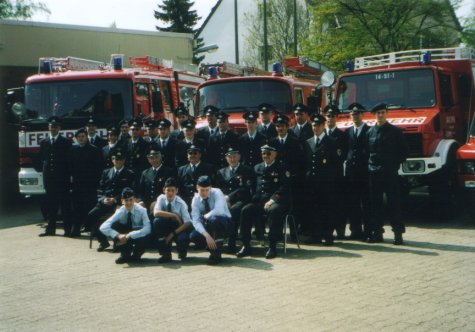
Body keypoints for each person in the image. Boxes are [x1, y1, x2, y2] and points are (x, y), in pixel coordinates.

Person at [237, 143, 291, 259]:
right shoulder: (257, 167)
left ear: (275, 154)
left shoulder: (281, 168)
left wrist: (272, 200)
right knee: (245, 210)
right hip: (259, 201)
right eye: (263, 153)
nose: (265, 155)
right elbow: (252, 185)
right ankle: (246, 245)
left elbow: (284, 187)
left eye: (268, 153)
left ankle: (272, 246)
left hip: (277, 201)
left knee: (274, 211)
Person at [366, 103, 408, 245]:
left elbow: (403, 153)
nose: (380, 115)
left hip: (390, 174)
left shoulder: (395, 132)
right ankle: (377, 233)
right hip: (374, 174)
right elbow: (367, 153)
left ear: (387, 113)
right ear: (375, 115)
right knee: (375, 205)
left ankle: (398, 234)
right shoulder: (370, 132)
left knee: (394, 204)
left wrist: (392, 165)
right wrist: (371, 167)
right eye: (378, 113)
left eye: (383, 112)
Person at [87, 150, 135, 251]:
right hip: (105, 202)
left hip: (119, 203)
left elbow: (130, 191)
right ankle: (103, 242)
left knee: (117, 218)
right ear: (112, 160)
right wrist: (103, 199)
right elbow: (100, 189)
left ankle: (117, 241)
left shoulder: (129, 173)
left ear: (124, 160)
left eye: (120, 159)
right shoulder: (106, 172)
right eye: (115, 159)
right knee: (91, 215)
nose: (118, 161)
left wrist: (116, 199)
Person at [303, 114, 339, 246]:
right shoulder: (308, 142)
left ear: (323, 126)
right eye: (313, 125)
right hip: (312, 183)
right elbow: (306, 163)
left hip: (326, 183)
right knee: (313, 209)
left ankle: (328, 235)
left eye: (318, 125)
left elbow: (336, 164)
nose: (315, 127)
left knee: (327, 209)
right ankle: (315, 235)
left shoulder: (331, 142)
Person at [215, 147, 255, 253]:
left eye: (234, 156)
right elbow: (218, 188)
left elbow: (245, 188)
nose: (232, 159)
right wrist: (224, 199)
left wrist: (229, 197)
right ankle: (219, 242)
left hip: (242, 200)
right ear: (226, 158)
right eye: (230, 157)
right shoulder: (221, 172)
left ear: (239, 157)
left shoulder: (246, 170)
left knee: (233, 210)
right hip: (225, 200)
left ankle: (235, 243)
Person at [38, 116, 73, 237]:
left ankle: (68, 230)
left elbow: (69, 161)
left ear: (59, 128)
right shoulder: (44, 142)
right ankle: (50, 229)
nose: (53, 128)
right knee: (51, 205)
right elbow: (43, 159)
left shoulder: (65, 142)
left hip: (62, 179)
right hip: (50, 179)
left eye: (55, 127)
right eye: (51, 126)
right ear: (48, 127)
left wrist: (69, 177)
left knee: (65, 205)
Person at [99, 187, 151, 264]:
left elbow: (148, 228)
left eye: (131, 200)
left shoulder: (142, 210)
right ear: (122, 201)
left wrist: (130, 235)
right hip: (124, 236)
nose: (129, 203)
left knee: (145, 233)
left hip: (137, 235)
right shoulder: (120, 211)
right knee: (115, 225)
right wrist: (117, 235)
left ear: (135, 200)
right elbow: (103, 227)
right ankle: (125, 254)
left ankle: (138, 253)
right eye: (126, 200)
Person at [190, 175, 232, 265]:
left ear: (210, 188)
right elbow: (196, 221)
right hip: (208, 225)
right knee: (194, 236)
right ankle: (212, 246)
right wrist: (206, 235)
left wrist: (205, 217)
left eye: (207, 190)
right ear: (197, 187)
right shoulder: (195, 199)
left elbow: (219, 210)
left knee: (214, 220)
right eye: (202, 190)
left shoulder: (217, 192)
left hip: (225, 224)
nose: (204, 193)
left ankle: (216, 255)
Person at [69, 128, 103, 237]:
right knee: (77, 207)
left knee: (90, 206)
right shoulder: (73, 150)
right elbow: (70, 167)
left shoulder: (95, 150)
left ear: (87, 137)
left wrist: (97, 183)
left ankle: (92, 229)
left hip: (90, 184)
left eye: (83, 136)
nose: (81, 139)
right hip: (77, 183)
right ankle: (76, 229)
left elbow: (99, 168)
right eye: (79, 137)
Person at [345, 103, 371, 240]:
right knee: (353, 203)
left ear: (362, 115)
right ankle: (355, 231)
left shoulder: (369, 130)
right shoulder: (348, 131)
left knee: (366, 204)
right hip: (351, 174)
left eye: (357, 114)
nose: (354, 116)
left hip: (365, 173)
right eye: (352, 114)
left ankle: (368, 232)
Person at [323, 104, 349, 239]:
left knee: (339, 204)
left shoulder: (342, 136)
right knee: (326, 205)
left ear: (336, 118)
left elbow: (343, 155)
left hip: (337, 175)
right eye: (328, 116)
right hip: (323, 177)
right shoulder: (321, 134)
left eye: (332, 116)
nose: (330, 119)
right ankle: (326, 230)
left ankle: (340, 230)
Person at [153, 177, 192, 263]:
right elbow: (156, 212)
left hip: (180, 227)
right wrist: (174, 215)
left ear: (177, 191)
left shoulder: (181, 203)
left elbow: (187, 223)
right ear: (164, 190)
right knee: (157, 222)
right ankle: (166, 254)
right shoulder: (161, 198)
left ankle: (182, 251)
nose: (170, 193)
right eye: (168, 190)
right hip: (167, 225)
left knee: (182, 240)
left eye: (173, 190)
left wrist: (172, 234)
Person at [137, 150, 175, 215]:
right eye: (151, 158)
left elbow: (170, 190)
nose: (154, 160)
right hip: (147, 202)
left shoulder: (168, 171)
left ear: (160, 158)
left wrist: (157, 201)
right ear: (148, 160)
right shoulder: (145, 173)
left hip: (162, 201)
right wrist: (141, 201)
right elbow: (140, 190)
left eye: (156, 157)